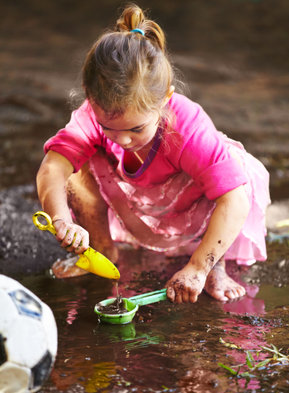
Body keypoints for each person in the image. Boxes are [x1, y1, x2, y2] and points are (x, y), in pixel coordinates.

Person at [36, 4, 270, 304]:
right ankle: (100, 249)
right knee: (77, 165)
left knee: (224, 181)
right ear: (88, 95)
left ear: (165, 100)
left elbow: (233, 198)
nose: (121, 139)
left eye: (135, 129)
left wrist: (197, 268)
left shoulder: (186, 128)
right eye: (108, 127)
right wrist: (61, 219)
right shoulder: (92, 114)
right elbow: (53, 167)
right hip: (143, 186)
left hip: (198, 195)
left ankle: (214, 266)